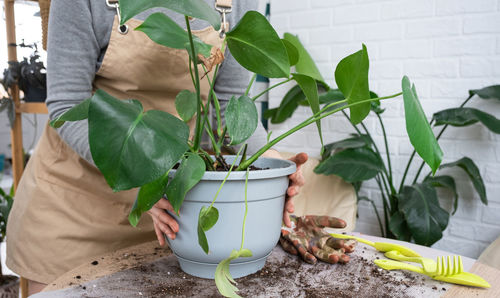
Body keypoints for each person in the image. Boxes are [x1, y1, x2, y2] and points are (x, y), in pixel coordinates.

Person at [5, 0, 307, 295]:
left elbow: (230, 105)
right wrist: (140, 178)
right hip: (73, 207)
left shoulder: (236, 3)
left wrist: (272, 162)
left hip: (167, 215)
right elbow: (67, 105)